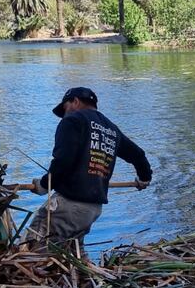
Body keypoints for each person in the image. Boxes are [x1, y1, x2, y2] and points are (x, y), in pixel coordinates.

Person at [26, 86, 152, 249]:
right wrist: (144, 178)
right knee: (69, 255)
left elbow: (63, 161)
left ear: (75, 101)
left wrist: (44, 185)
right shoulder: (111, 129)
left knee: (32, 247)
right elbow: (138, 155)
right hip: (91, 210)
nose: (64, 115)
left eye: (65, 109)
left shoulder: (72, 121)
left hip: (68, 206)